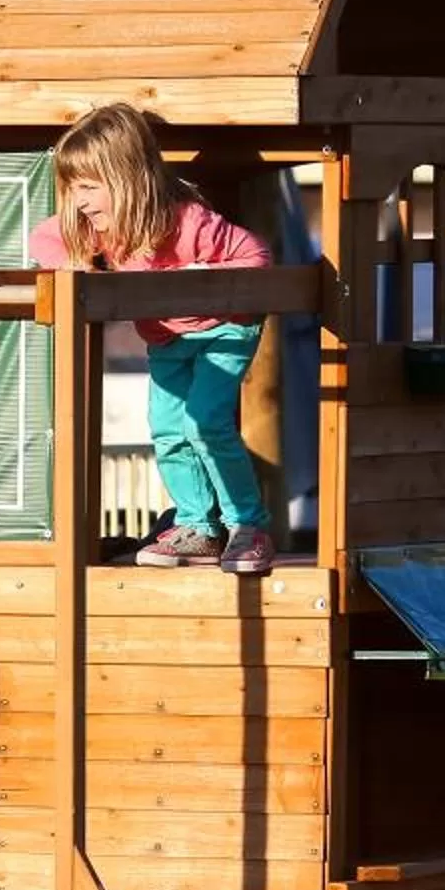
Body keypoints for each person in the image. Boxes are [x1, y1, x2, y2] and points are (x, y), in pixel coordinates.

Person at [29, 102, 276, 576]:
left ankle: (248, 525)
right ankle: (198, 525)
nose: (78, 201)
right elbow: (43, 239)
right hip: (166, 338)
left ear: (125, 180)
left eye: (88, 187)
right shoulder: (96, 229)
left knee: (205, 423)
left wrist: (199, 276)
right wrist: (76, 270)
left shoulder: (187, 222)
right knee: (165, 430)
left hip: (225, 327)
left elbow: (256, 256)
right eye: (72, 188)